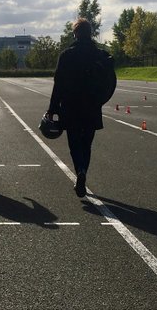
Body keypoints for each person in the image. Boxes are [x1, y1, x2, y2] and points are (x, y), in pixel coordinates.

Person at [46, 18, 116, 198]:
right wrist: (101, 100)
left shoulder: (67, 55)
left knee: (74, 143)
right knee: (87, 144)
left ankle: (80, 171)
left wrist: (52, 108)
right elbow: (110, 82)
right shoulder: (101, 55)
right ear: (90, 33)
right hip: (92, 105)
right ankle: (83, 170)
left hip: (71, 106)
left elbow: (58, 84)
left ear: (75, 34)